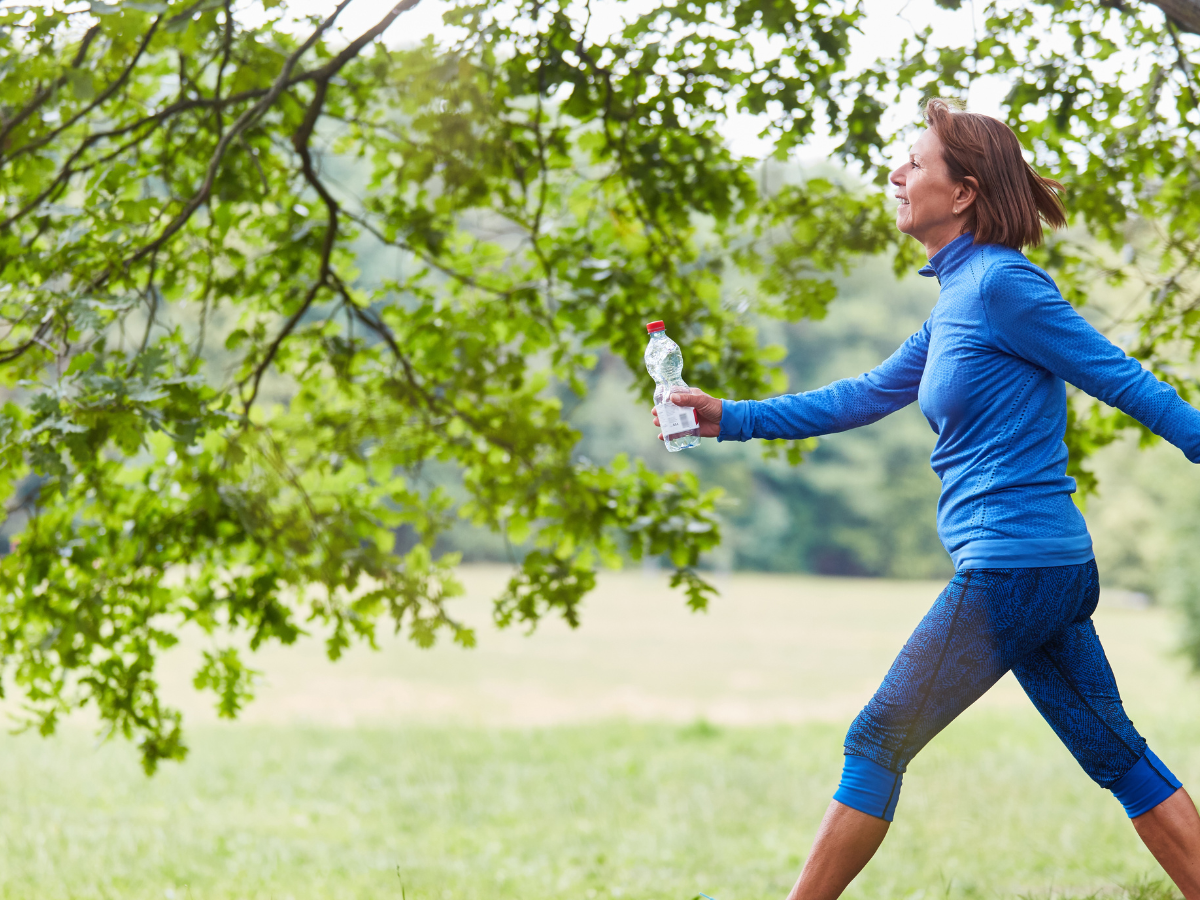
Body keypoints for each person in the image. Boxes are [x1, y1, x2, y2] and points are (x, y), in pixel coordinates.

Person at [653, 99, 1200, 899]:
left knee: (876, 739)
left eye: (915, 162)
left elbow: (1122, 379)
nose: (895, 174)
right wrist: (726, 418)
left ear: (965, 191)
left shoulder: (1004, 286)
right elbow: (862, 396)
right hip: (1040, 568)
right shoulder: (957, 300)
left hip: (1014, 568)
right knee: (1116, 755)